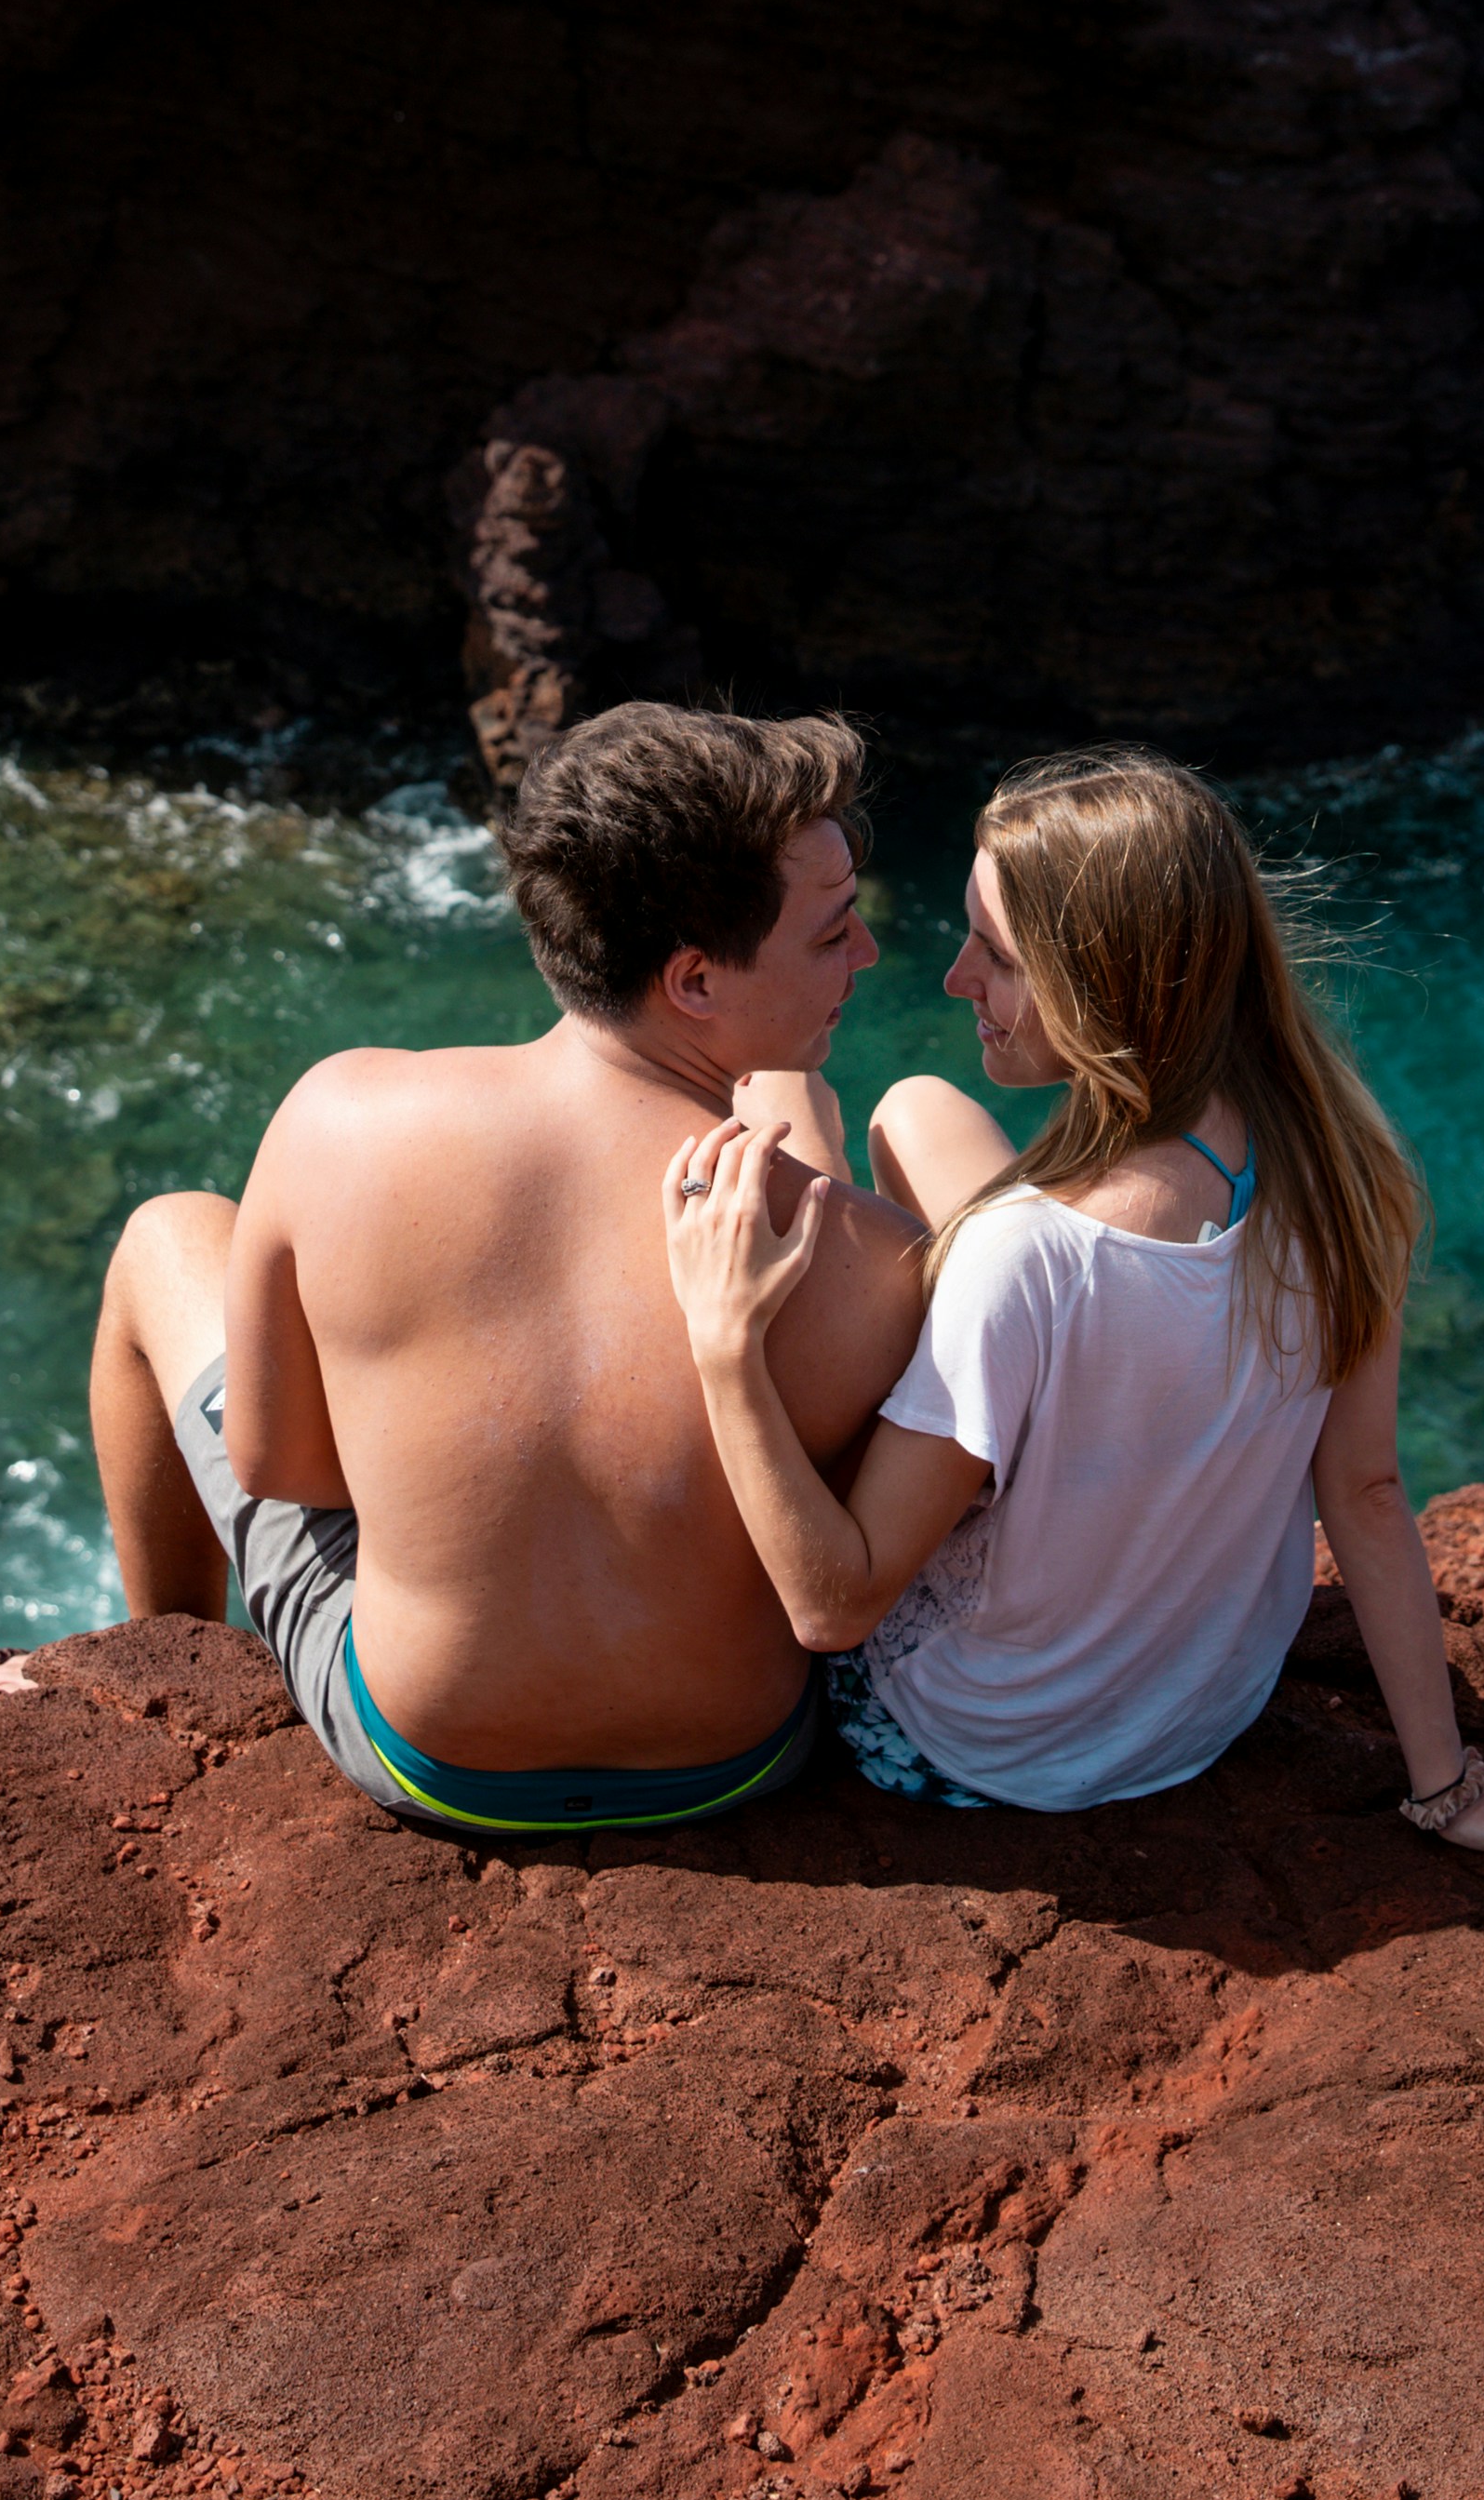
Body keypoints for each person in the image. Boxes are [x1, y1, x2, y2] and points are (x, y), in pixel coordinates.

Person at [661, 744, 1484, 1864]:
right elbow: (1368, 1489)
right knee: (911, 1101)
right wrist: (1448, 1786)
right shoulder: (1342, 1173)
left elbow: (834, 1609)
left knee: (792, 1120)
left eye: (996, 956)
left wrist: (727, 1348)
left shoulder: (1023, 1260)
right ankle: (786, 1100)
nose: (955, 977)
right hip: (1193, 1722)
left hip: (972, 1748)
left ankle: (768, 1094)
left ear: (1106, 986)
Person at [89, 702, 930, 1838]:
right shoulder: (871, 1256)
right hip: (734, 1761)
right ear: (692, 980)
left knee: (164, 1232)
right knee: (794, 1104)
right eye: (832, 933)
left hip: (432, 1760)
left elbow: (280, 1465)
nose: (867, 954)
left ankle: (161, 1668)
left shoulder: (340, 1119)